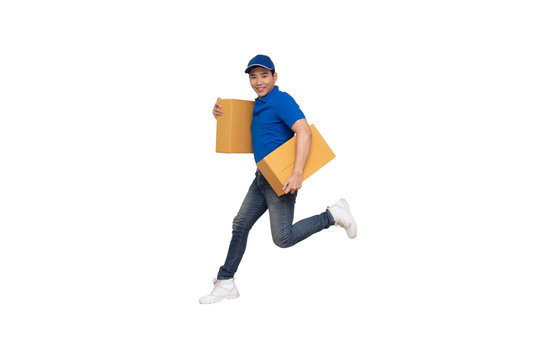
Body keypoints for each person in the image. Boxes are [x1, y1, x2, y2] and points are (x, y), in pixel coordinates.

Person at [199, 55, 357, 304]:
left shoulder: (281, 100)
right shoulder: (259, 104)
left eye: (264, 75)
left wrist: (297, 173)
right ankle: (226, 281)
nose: (258, 81)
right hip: (262, 176)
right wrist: (220, 113)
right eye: (253, 76)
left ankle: (333, 215)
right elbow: (243, 124)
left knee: (282, 238)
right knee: (240, 224)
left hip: (282, 181)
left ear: (275, 76)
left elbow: (304, 131)